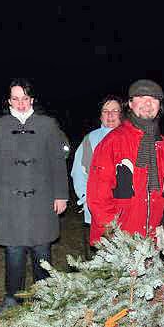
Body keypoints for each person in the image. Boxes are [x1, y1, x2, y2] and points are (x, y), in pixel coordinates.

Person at [0, 79, 69, 313]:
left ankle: (45, 298)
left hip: (42, 200)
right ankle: (13, 298)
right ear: (9, 101)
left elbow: (57, 163)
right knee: (14, 250)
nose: (20, 103)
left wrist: (61, 194)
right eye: (15, 99)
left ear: (32, 99)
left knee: (42, 249)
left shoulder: (48, 125)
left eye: (25, 98)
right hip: (8, 201)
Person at [87, 79, 164, 246]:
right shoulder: (113, 142)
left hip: (155, 240)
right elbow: (98, 195)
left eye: (154, 99)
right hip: (120, 239)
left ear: (160, 106)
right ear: (130, 103)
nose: (148, 103)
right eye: (141, 97)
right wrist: (113, 233)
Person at [70, 96, 122, 256]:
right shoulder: (91, 139)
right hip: (97, 212)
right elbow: (78, 172)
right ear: (100, 115)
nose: (110, 115)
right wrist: (85, 197)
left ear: (122, 114)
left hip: (125, 210)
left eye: (115, 111)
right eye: (105, 111)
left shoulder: (130, 137)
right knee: (100, 258)